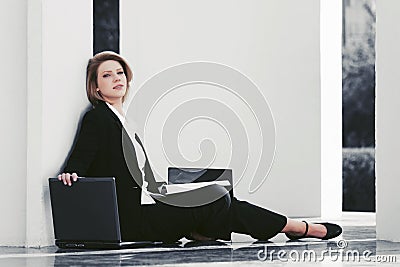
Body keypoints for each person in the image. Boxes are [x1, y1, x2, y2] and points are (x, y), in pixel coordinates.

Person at [58, 51, 342, 243]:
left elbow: (141, 173)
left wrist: (168, 189)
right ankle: (295, 228)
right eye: (107, 75)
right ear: (95, 87)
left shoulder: (124, 120)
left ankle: (288, 227)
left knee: (222, 192)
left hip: (155, 200)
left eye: (119, 72)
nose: (117, 78)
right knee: (218, 198)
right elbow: (81, 157)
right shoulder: (98, 118)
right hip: (135, 219)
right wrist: (71, 172)